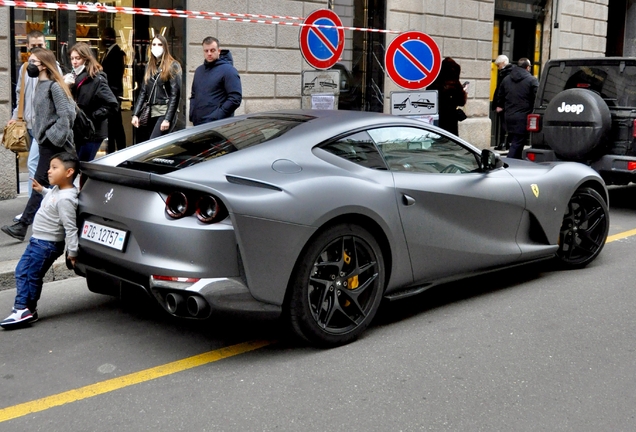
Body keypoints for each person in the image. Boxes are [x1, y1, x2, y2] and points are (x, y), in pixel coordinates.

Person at [1, 47, 75, 242]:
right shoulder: (40, 85)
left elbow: (68, 114)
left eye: (33, 62)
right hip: (45, 140)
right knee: (51, 182)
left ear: (43, 64)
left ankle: (23, 224)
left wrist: (53, 135)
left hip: (53, 142)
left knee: (40, 182)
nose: (30, 65)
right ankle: (60, 220)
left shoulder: (54, 86)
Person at [0, 152, 80, 328]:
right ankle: (28, 310)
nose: (49, 171)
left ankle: (22, 308)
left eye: (54, 168)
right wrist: (42, 190)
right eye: (49, 167)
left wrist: (73, 253)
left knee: (31, 275)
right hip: (38, 242)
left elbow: (70, 228)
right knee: (23, 271)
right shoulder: (58, 190)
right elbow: (52, 199)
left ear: (69, 173)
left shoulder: (66, 199)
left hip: (46, 245)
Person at [8, 31, 46, 223]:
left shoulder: (51, 67)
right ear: (28, 47)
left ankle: (32, 210)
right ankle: (43, 206)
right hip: (29, 125)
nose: (37, 48)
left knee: (33, 164)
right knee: (39, 167)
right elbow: (19, 94)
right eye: (33, 45)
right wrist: (16, 116)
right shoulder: (25, 68)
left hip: (43, 127)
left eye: (40, 44)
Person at [64, 42, 118, 162]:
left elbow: (112, 104)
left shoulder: (97, 78)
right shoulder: (74, 77)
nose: (74, 62)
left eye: (78, 58)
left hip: (92, 132)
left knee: (82, 166)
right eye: (72, 58)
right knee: (78, 166)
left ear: (86, 58)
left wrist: (92, 117)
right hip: (79, 130)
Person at [132, 34, 181, 139]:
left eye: (160, 44)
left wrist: (167, 118)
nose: (156, 47)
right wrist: (135, 114)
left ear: (165, 47)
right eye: (154, 44)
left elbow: (175, 94)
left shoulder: (173, 65)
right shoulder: (149, 66)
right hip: (151, 112)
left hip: (164, 111)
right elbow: (143, 92)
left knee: (154, 142)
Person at [189, 36, 242, 125]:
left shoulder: (229, 70)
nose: (209, 53)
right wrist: (192, 113)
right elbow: (194, 95)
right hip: (198, 124)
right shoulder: (199, 71)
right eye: (206, 51)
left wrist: (217, 116)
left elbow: (235, 98)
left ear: (219, 51)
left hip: (219, 125)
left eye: (212, 50)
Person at [496, 57, 539, 159]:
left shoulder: (506, 79)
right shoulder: (532, 80)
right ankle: (509, 164)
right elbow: (538, 97)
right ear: (528, 67)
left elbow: (500, 95)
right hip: (523, 117)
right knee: (517, 143)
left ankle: (516, 163)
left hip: (508, 116)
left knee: (515, 142)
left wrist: (500, 105)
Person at [100, 27, 127, 153]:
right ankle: (112, 149)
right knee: (112, 125)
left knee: (116, 125)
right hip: (110, 95)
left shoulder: (116, 53)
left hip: (113, 95)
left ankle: (120, 149)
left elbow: (115, 76)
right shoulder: (108, 52)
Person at [427, 57, 467, 136]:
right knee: (450, 141)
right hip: (451, 119)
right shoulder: (455, 85)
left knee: (437, 139)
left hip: (436, 118)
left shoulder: (434, 84)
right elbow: (461, 102)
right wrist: (464, 91)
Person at [493, 55, 513, 150]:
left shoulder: (506, 73)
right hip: (508, 102)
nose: (498, 67)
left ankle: (503, 143)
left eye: (498, 65)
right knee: (506, 124)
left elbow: (502, 90)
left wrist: (499, 104)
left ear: (503, 63)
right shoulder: (509, 72)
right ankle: (506, 143)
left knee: (504, 124)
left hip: (505, 103)